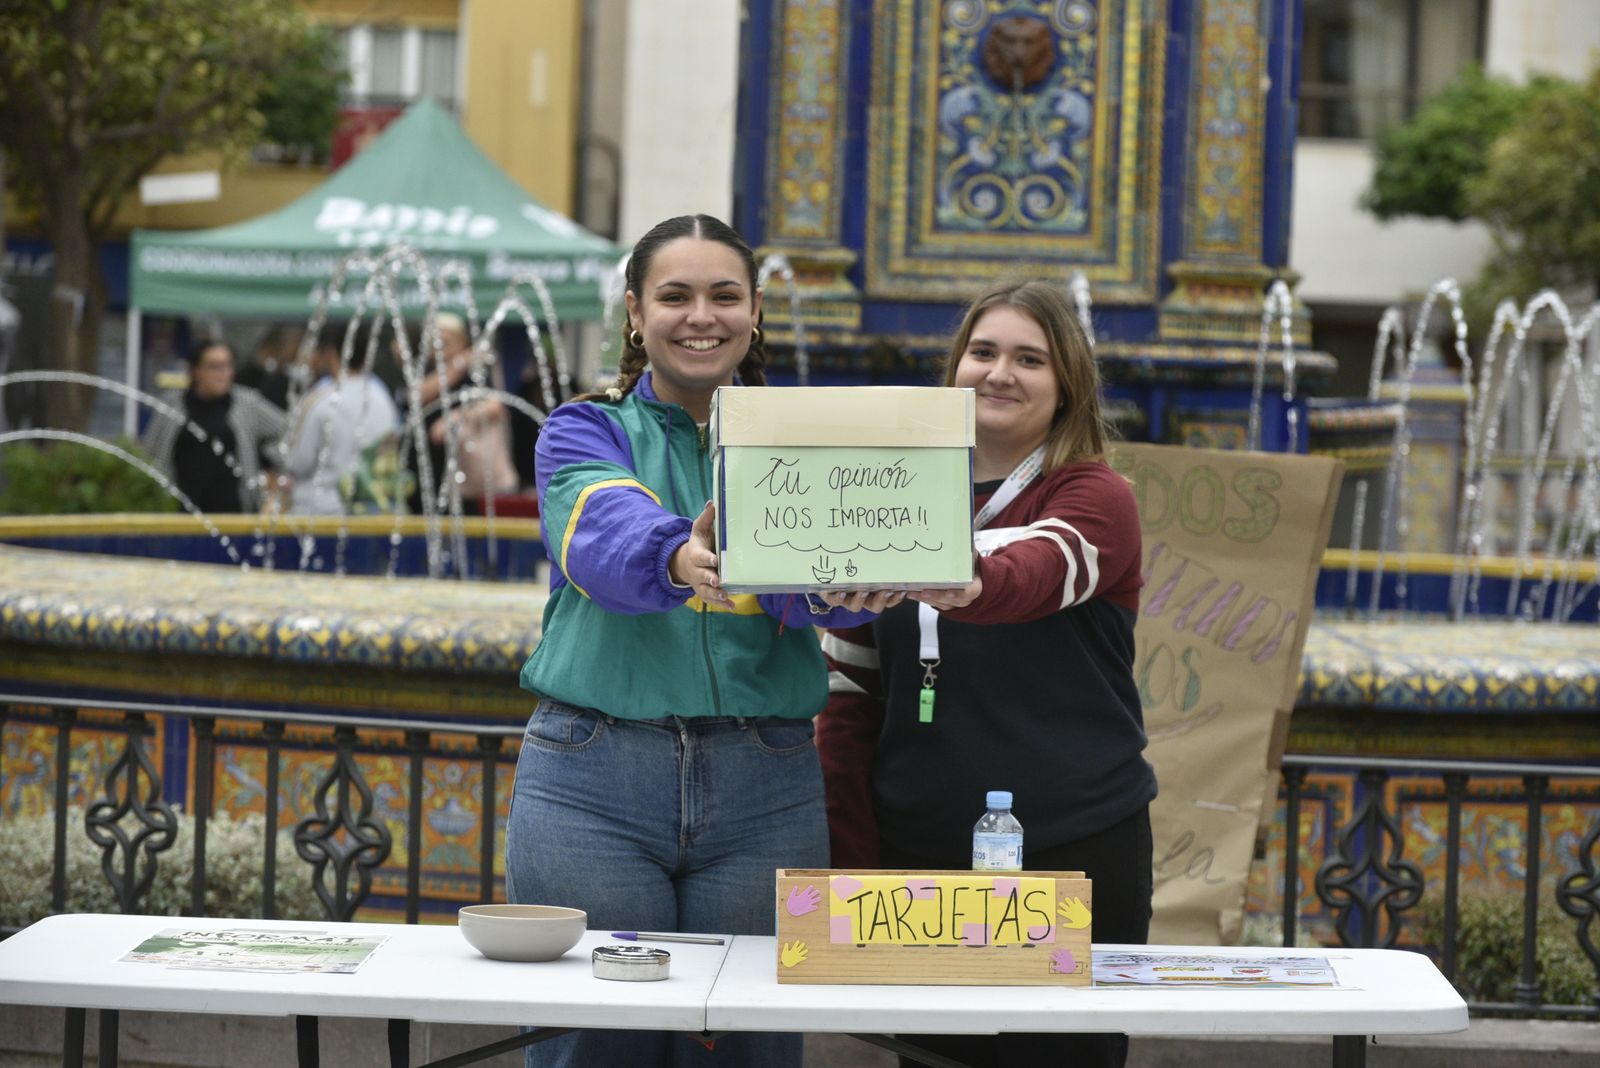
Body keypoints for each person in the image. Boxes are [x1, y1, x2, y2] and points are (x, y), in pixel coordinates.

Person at [504, 214, 900, 1068]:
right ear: (635, 316)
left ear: (755, 313)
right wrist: (679, 555)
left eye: (725, 295)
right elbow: (598, 532)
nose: (701, 316)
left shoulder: (803, 446)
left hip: (768, 790)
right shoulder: (582, 429)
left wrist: (846, 583)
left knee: (746, 1051)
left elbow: (821, 592)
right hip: (590, 788)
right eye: (674, 296)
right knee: (591, 1047)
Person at [817, 279, 1156, 1068]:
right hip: (920, 851)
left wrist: (954, 576)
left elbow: (1039, 571)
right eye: (984, 352)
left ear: (1066, 384)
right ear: (955, 370)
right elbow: (849, 704)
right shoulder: (888, 495)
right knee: (934, 1062)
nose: (1001, 373)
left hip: (1073, 844)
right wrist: (852, 864)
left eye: (1029, 359)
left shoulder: (1096, 496)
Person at [141, 339, 288, 513]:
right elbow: (150, 452)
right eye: (214, 366)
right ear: (195, 371)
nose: (222, 373)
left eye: (227, 366)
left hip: (235, 512)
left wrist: (268, 463)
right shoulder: (172, 404)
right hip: (180, 513)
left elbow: (287, 429)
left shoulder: (246, 403)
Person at [281, 323, 402, 515]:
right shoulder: (381, 395)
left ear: (330, 352)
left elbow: (297, 462)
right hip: (374, 509)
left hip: (322, 511)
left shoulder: (320, 398)